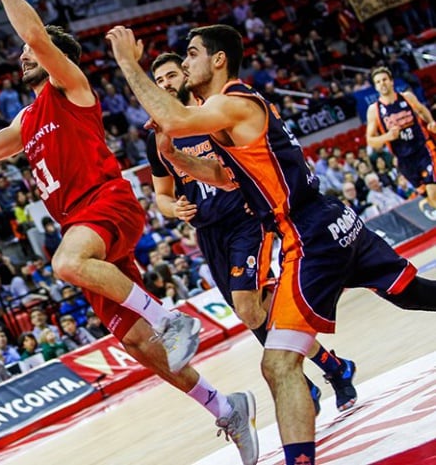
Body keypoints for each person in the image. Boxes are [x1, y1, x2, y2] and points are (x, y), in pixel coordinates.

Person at [0, 0, 257, 462]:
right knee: (137, 346)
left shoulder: (71, 88)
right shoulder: (27, 119)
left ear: (50, 57)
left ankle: (172, 318)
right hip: (86, 231)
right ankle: (226, 406)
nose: (22, 57)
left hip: (106, 204)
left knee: (64, 264)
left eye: (30, 51)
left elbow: (37, 37)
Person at [107, 22, 436, 465]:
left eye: (191, 54)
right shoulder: (228, 111)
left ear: (218, 59)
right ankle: (335, 371)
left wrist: (128, 62)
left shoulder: (234, 101)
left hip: (307, 233)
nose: (184, 64)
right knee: (410, 294)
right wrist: (174, 156)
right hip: (332, 219)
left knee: (278, 363)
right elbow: (223, 177)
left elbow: (175, 117)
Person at [146, 51, 358, 414]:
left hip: (245, 220)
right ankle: (333, 367)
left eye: (171, 76)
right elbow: (162, 196)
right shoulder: (156, 137)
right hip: (208, 233)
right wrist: (174, 210)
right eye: (159, 80)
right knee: (257, 312)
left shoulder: (210, 113)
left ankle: (301, 382)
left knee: (249, 305)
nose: (166, 84)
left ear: (185, 76)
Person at [365, 66, 436, 220]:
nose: (382, 84)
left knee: (433, 191)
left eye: (384, 80)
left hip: (423, 150)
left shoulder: (407, 97)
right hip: (404, 160)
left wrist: (430, 122)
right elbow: (370, 140)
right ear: (375, 87)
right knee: (428, 197)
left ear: (391, 81)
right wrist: (387, 137)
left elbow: (422, 109)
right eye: (378, 82)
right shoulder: (374, 110)